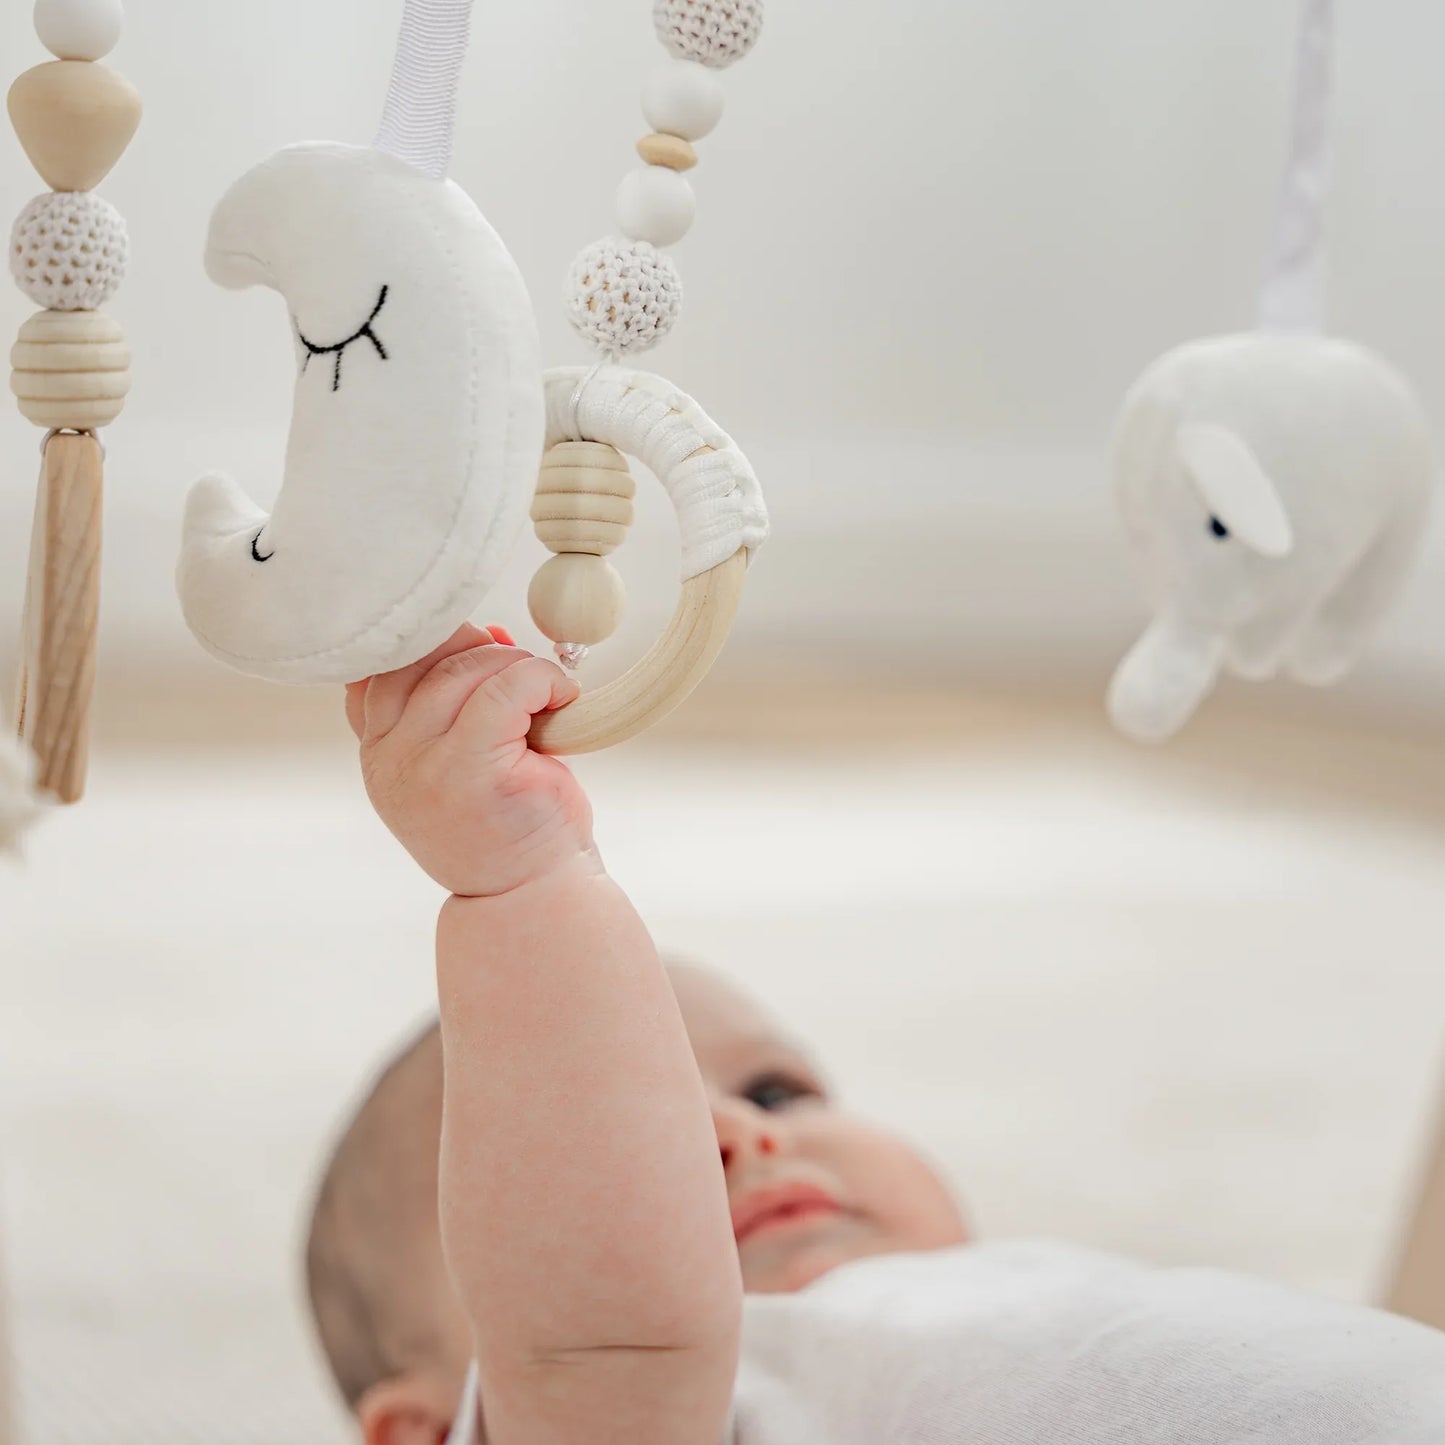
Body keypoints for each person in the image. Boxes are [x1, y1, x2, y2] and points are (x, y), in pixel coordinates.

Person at [310, 623, 1445, 1444]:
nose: (734, 1136)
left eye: (775, 1090)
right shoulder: (662, 1392)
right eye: (602, 1120)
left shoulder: (1023, 1315)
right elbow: (603, 1335)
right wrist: (519, 882)